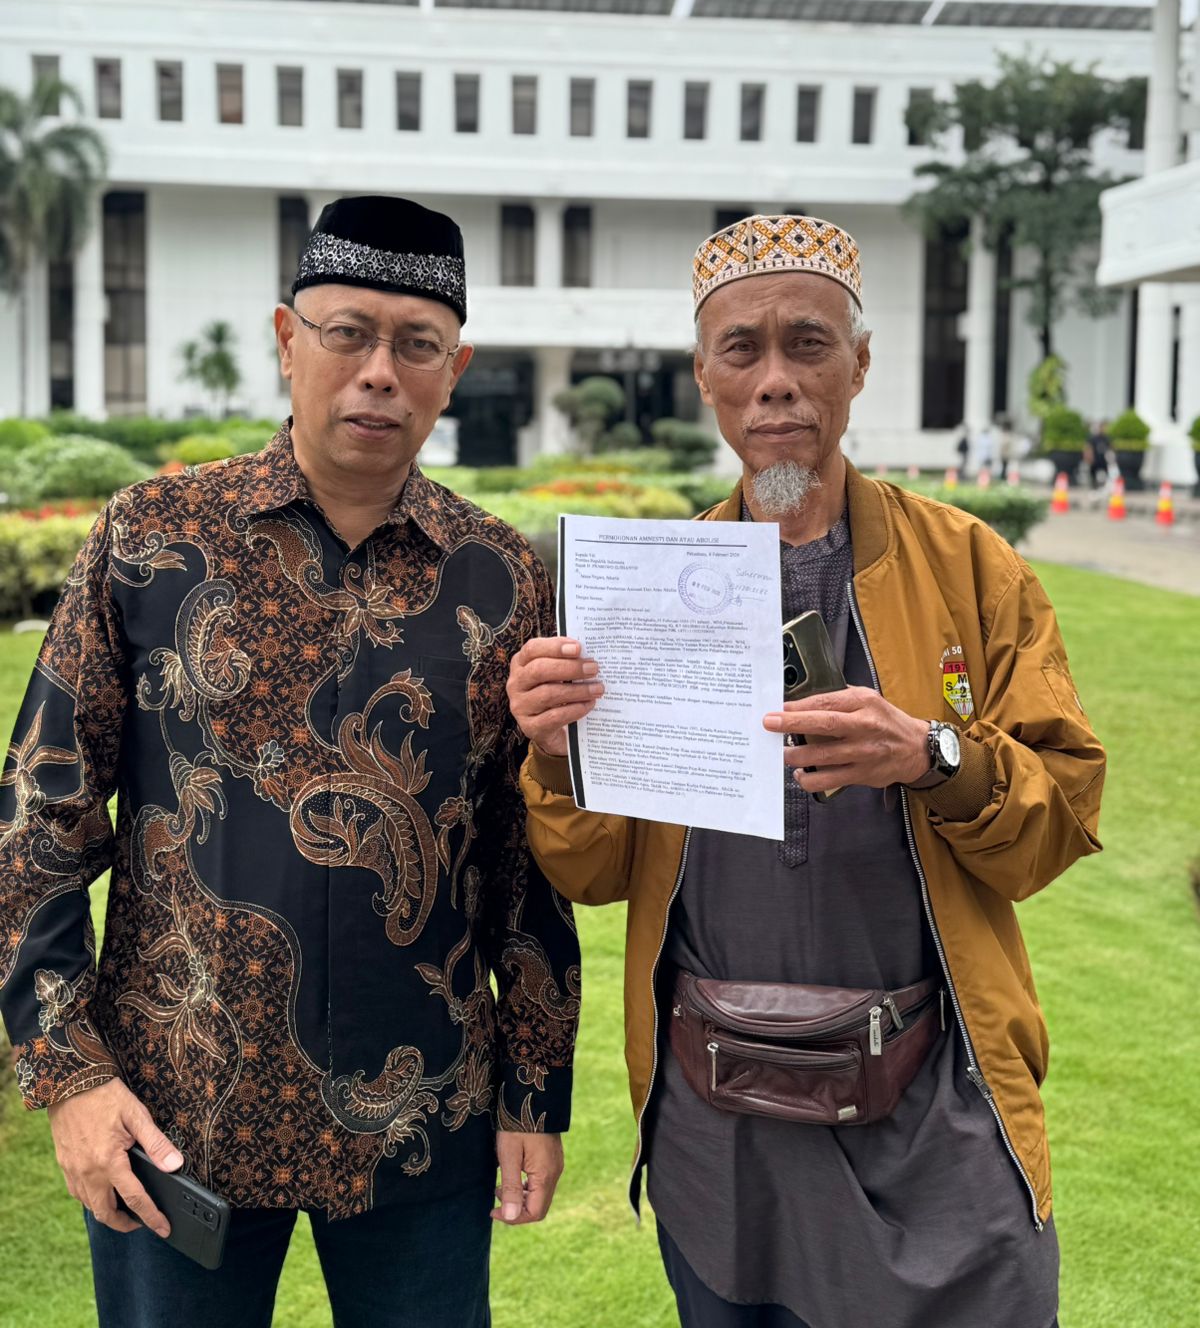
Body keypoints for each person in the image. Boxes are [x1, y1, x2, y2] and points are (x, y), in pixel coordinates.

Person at [507, 214, 1104, 1328]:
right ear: (705, 378)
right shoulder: (654, 588)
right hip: (722, 1124)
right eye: (742, 349)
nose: (775, 379)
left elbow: (1059, 817)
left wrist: (931, 754)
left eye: (809, 343)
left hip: (933, 1110)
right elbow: (593, 871)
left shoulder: (970, 568)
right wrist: (555, 753)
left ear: (860, 365)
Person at [0, 196, 580, 1328]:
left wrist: (534, 1087)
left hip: (424, 1115)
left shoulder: (502, 579)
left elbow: (525, 857)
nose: (379, 372)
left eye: (417, 345)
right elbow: (39, 816)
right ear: (285, 339)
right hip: (176, 1113)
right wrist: (69, 1074)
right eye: (347, 333)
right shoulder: (153, 538)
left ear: (454, 372)